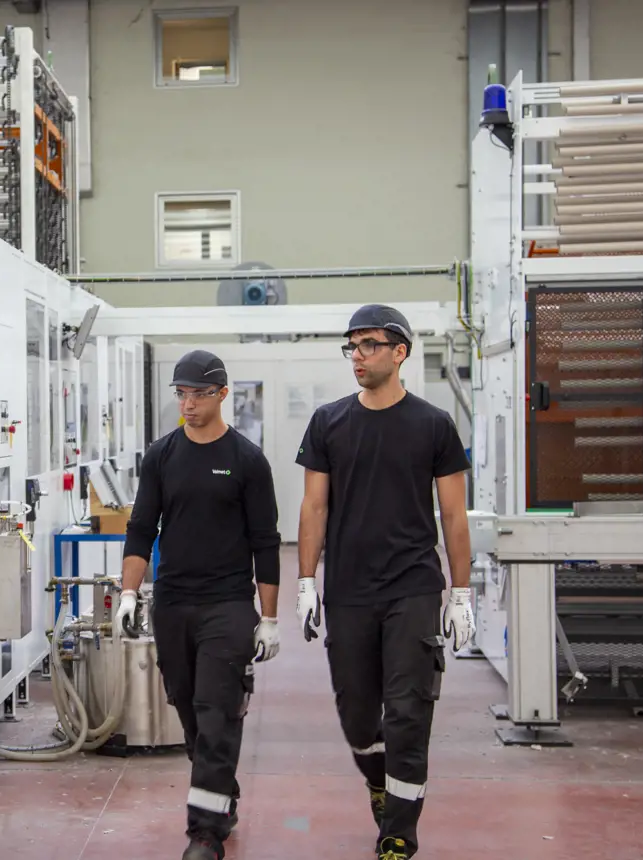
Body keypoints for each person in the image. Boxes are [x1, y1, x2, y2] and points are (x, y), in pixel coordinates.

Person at [293, 304, 474, 860]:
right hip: (349, 590)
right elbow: (314, 507)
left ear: (400, 352)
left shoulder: (433, 425)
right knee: (357, 717)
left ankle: (399, 832)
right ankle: (378, 780)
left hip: (412, 587)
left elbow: (454, 516)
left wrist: (461, 592)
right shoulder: (328, 422)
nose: (358, 355)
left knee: (409, 711)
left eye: (369, 344)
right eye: (352, 345)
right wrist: (305, 582)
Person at [116, 348, 282, 860]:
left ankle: (205, 834)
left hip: (227, 605)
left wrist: (270, 618)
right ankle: (220, 793)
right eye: (182, 394)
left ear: (222, 394)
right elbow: (141, 528)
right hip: (173, 604)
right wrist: (128, 593)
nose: (188, 404)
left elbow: (266, 542)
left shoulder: (247, 461)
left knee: (216, 713)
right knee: (189, 710)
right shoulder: (162, 456)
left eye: (199, 394)